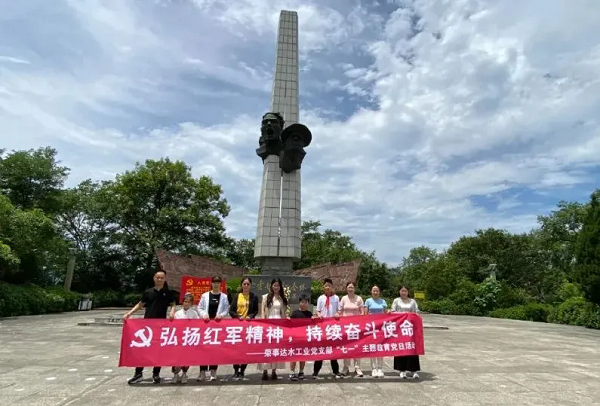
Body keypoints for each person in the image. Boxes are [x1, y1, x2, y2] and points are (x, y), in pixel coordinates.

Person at [124, 269, 176, 384]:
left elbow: (173, 303)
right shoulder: (148, 292)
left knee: (158, 350)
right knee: (142, 349)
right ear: (154, 278)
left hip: (161, 324)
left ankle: (156, 374)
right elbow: (140, 304)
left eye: (162, 278)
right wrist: (129, 313)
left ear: (165, 279)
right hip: (147, 325)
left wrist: (172, 311)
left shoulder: (168, 292)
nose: (159, 279)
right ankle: (138, 373)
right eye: (158, 277)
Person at [197, 276, 230, 382]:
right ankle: (202, 371)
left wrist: (221, 315)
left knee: (215, 349)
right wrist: (203, 314)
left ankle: (213, 371)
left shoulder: (224, 296)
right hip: (205, 325)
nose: (216, 284)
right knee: (203, 349)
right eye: (214, 282)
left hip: (217, 326)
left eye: (218, 282)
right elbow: (199, 308)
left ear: (220, 284)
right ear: (211, 283)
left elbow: (226, 309)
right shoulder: (205, 295)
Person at [228, 276, 259, 380]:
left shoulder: (254, 296)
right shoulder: (237, 296)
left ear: (250, 285)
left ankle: (242, 371)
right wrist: (237, 316)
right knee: (236, 349)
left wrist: (250, 316)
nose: (246, 286)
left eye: (248, 284)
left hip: (248, 326)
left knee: (246, 349)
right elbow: (231, 310)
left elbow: (255, 310)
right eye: (244, 284)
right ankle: (236, 370)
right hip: (237, 326)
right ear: (241, 285)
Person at [313, 278, 344, 379]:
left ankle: (336, 371)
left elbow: (339, 310)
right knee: (321, 349)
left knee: (333, 350)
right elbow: (318, 310)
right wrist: (319, 314)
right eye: (326, 285)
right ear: (323, 287)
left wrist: (337, 313)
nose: (327, 287)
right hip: (322, 327)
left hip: (332, 327)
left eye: (329, 286)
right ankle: (315, 372)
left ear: (332, 287)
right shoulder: (320, 298)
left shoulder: (336, 298)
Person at [258, 278, 288, 380]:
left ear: (280, 287)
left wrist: (286, 320)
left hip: (278, 326)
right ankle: (265, 371)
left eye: (278, 285)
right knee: (266, 348)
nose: (276, 287)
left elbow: (283, 313)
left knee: (276, 348)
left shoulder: (282, 298)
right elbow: (262, 312)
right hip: (268, 324)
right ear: (271, 286)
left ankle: (274, 371)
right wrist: (263, 323)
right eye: (274, 285)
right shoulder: (265, 297)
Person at [391, 285, 421, 380]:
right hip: (400, 327)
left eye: (405, 291)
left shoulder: (412, 301)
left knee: (411, 347)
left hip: (410, 328)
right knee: (401, 347)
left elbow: (416, 313)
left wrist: (410, 316)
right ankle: (402, 370)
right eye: (402, 291)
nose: (403, 292)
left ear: (408, 292)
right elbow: (392, 312)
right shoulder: (396, 301)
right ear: (399, 291)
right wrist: (403, 315)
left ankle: (414, 370)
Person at [172, 292, 199, 384]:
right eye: (185, 301)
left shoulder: (194, 313)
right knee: (176, 357)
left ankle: (184, 373)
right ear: (182, 302)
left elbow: (197, 325)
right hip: (179, 338)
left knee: (186, 357)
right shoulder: (177, 313)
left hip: (189, 338)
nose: (186, 303)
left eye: (188, 302)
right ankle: (175, 374)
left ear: (191, 303)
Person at [339, 281, 365, 377]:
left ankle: (357, 368)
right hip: (346, 327)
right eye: (349, 287)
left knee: (357, 347)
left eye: (352, 287)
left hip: (356, 327)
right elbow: (340, 311)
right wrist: (338, 315)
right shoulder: (344, 298)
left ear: (355, 288)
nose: (350, 289)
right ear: (346, 288)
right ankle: (346, 367)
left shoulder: (359, 298)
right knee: (346, 347)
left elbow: (362, 312)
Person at [364, 285, 388, 378]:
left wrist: (389, 312)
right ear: (371, 291)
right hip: (372, 327)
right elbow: (365, 314)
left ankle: (380, 368)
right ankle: (374, 368)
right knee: (373, 347)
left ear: (379, 292)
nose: (375, 292)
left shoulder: (383, 301)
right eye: (374, 290)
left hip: (381, 327)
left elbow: (386, 313)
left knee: (380, 347)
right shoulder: (368, 301)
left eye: (377, 290)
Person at [289, 293, 313, 381]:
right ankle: (292, 372)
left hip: (305, 338)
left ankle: (301, 371)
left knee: (303, 356)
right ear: (299, 303)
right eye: (302, 302)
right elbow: (289, 325)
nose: (304, 304)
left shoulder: (309, 314)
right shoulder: (295, 313)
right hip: (295, 338)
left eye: (305, 302)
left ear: (308, 303)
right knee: (294, 356)